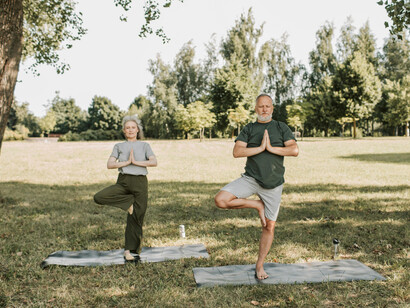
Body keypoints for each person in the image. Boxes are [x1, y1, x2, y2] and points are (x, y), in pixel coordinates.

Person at [214, 94, 299, 280]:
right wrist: (260, 148)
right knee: (220, 199)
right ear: (256, 108)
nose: (264, 109)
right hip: (251, 179)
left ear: (272, 108)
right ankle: (256, 205)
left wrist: (271, 148)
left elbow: (294, 150)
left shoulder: (280, 127)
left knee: (269, 227)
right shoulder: (250, 128)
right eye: (261, 106)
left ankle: (259, 265)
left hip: (273, 185)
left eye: (268, 106)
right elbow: (237, 152)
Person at [94, 115, 157, 262]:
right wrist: (126, 163)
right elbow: (110, 164)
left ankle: (129, 250)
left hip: (140, 183)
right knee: (99, 197)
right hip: (123, 182)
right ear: (124, 130)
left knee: (137, 216)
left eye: (133, 127)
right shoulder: (118, 146)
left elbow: (154, 162)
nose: (130, 130)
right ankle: (128, 203)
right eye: (127, 127)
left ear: (137, 130)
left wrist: (136, 162)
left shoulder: (144, 146)